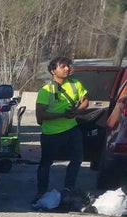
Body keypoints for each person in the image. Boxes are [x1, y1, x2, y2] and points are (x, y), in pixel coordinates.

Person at [33, 56, 89, 206]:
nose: (67, 69)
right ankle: (41, 191)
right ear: (53, 71)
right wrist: (62, 114)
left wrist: (77, 111)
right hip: (51, 133)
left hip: (72, 129)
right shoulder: (46, 90)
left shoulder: (75, 84)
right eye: (63, 66)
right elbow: (40, 116)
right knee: (46, 163)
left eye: (68, 66)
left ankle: (69, 188)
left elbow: (86, 101)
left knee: (77, 159)